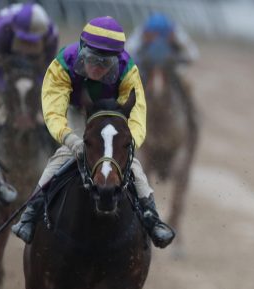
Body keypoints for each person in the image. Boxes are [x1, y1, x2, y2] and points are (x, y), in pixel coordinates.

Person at [11, 16, 175, 248]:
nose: (97, 68)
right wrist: (70, 139)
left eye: (105, 64)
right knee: (65, 155)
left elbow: (137, 114)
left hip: (111, 109)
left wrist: (129, 145)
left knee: (129, 160)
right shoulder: (62, 64)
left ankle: (151, 217)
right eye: (91, 60)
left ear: (116, 61)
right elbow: (54, 112)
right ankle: (31, 211)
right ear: (81, 50)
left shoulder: (129, 70)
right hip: (76, 108)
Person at [0, 2, 57, 204]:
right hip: (4, 74)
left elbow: (47, 73)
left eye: (32, 42)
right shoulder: (0, 30)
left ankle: (57, 163)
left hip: (32, 78)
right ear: (13, 31)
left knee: (53, 116)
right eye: (23, 40)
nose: (27, 46)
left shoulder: (51, 35)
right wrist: (4, 95)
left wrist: (35, 101)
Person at [126, 12, 199, 68]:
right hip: (146, 61)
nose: (158, 42)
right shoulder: (141, 32)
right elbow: (128, 50)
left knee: (180, 70)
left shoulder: (178, 34)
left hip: (170, 60)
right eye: (153, 36)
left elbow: (192, 52)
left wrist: (186, 59)